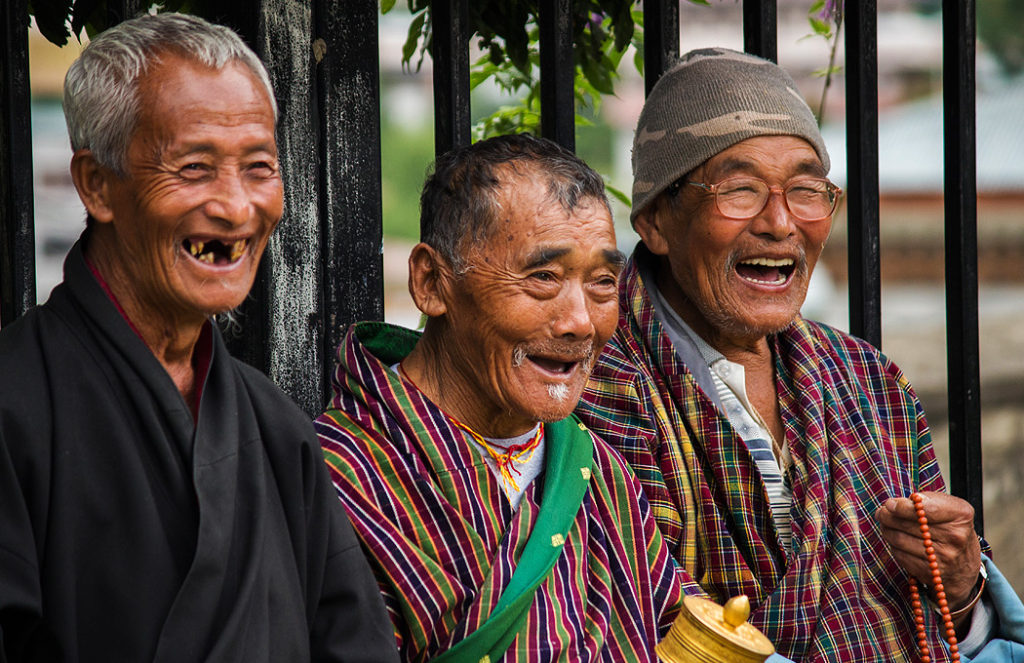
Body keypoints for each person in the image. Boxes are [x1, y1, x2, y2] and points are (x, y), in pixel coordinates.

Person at [576, 47, 1024, 662]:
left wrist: (962, 585)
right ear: (656, 221)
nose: (782, 223)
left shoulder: (868, 380)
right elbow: (648, 627)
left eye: (807, 190)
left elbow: (955, 627)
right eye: (740, 189)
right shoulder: (597, 393)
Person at [0, 14, 398, 662]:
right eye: (195, 167)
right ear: (97, 184)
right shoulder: (14, 408)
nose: (238, 208)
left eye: (259, 167)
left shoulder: (275, 428)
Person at [315, 134, 682, 662]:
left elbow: (683, 627)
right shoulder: (337, 478)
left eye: (603, 282)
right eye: (543, 277)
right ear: (432, 283)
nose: (581, 322)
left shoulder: (592, 469)